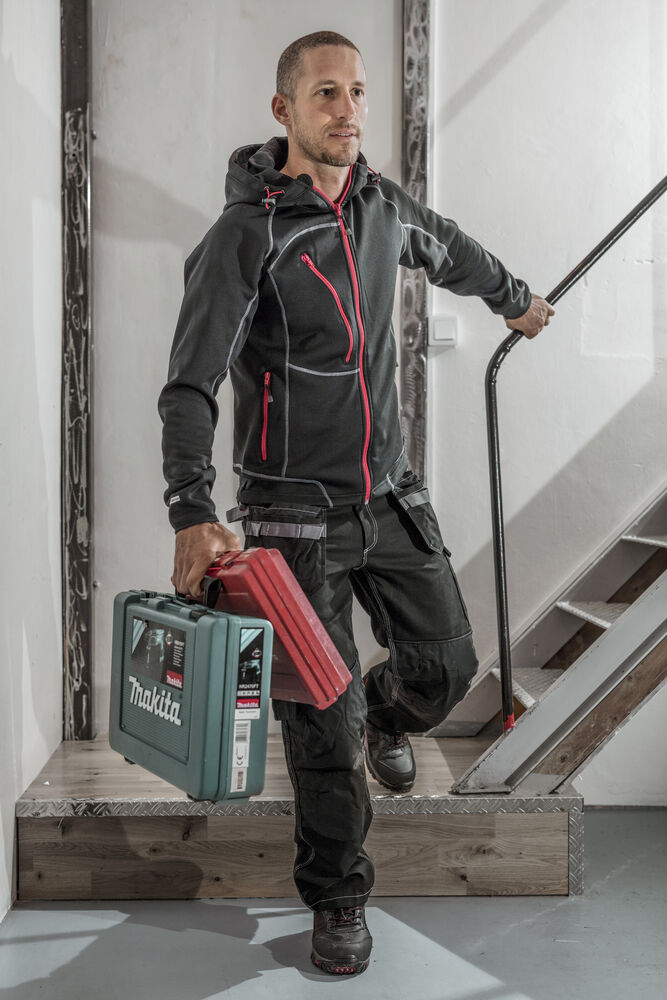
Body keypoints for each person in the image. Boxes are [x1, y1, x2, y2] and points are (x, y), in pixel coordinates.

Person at [158, 30, 554, 976]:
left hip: (392, 494)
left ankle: (390, 714)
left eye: (357, 93)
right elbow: (189, 386)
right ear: (283, 110)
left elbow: (449, 246)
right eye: (325, 93)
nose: (347, 111)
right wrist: (190, 508)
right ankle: (337, 896)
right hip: (292, 520)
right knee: (319, 725)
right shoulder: (245, 236)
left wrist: (512, 297)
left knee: (446, 671)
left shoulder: (380, 205)